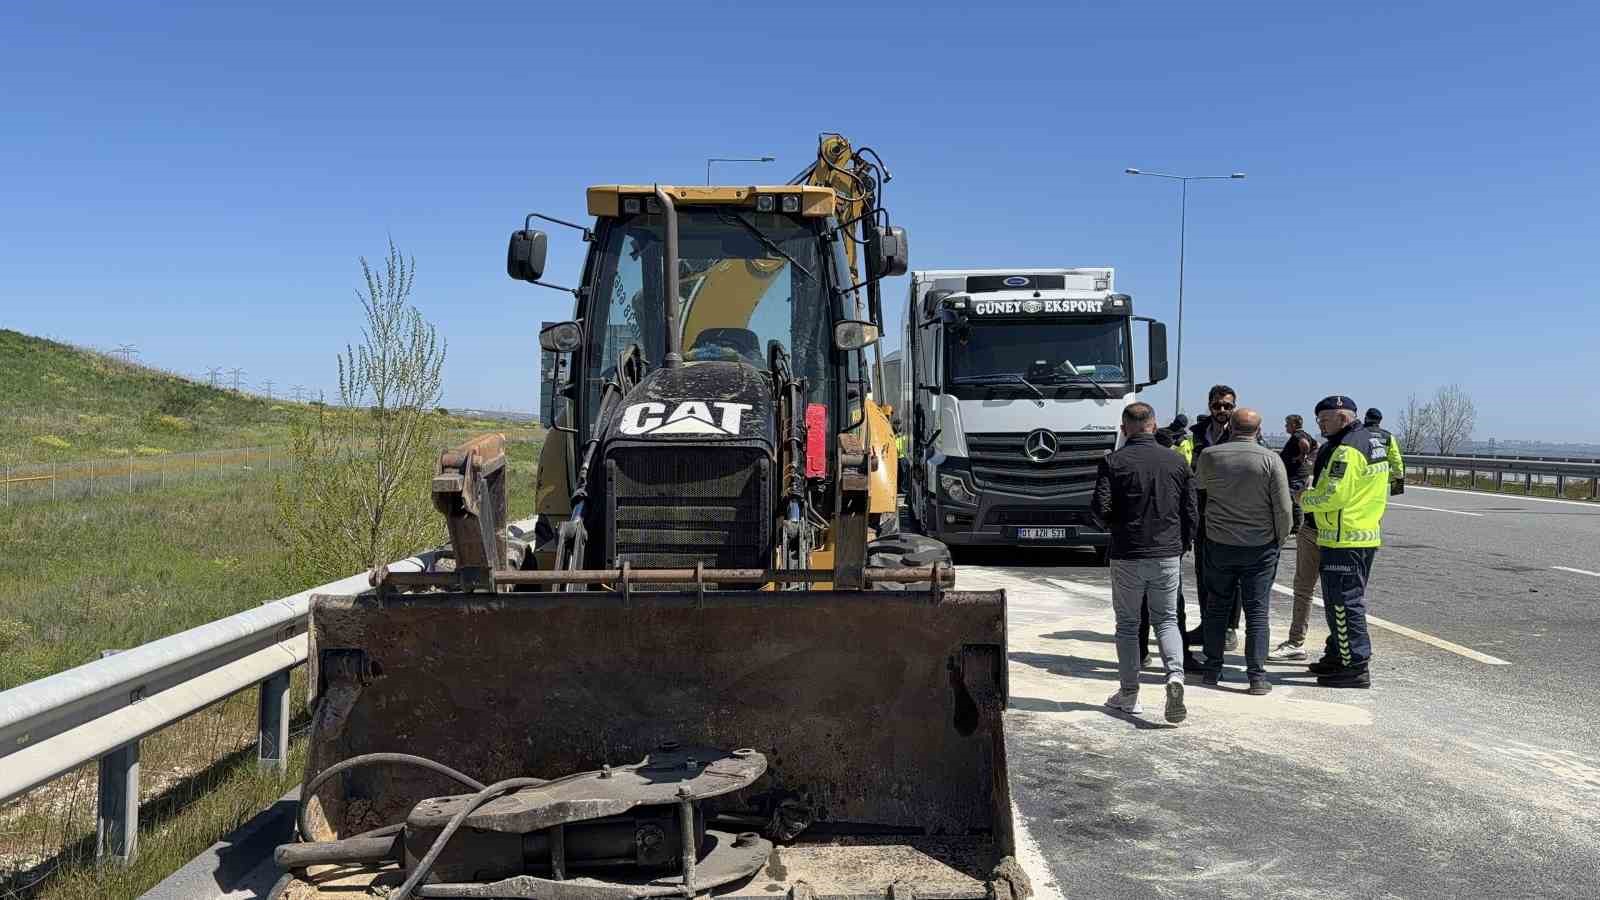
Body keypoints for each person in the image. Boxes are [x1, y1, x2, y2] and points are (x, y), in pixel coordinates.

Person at [1092, 402, 1198, 723]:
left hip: (1127, 552)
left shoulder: (1112, 461)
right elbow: (1191, 510)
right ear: (1153, 425)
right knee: (1166, 620)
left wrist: (1116, 528)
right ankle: (1175, 677)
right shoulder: (1177, 461)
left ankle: (1129, 695)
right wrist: (1182, 544)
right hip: (1167, 552)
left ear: (1125, 429)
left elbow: (1100, 507)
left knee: (1127, 625)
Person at [1193, 408, 1293, 694]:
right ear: (1259, 430)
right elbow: (1283, 508)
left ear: (1231, 427)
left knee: (1216, 607)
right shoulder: (1271, 459)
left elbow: (1201, 490)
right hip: (1259, 546)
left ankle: (1212, 669)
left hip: (1219, 542)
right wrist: (1280, 538)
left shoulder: (1211, 455)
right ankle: (1257, 677)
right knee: (1257, 611)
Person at [1301, 395, 1393, 688]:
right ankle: (1338, 655)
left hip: (1344, 538)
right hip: (1362, 532)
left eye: (1324, 420)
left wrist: (1303, 499)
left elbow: (1333, 496)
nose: (1320, 426)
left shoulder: (1347, 450)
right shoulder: (1372, 440)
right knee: (1341, 603)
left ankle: (1354, 665)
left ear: (1342, 417)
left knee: (1343, 605)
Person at [1188, 386, 1261, 654]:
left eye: (1227, 406)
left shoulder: (1243, 434)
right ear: (1209, 405)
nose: (1222, 411)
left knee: (1232, 577)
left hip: (1231, 515)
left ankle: (1229, 629)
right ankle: (1208, 625)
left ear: (1234, 407)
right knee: (1203, 573)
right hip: (1202, 513)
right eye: (1217, 405)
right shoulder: (1197, 435)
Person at [1268, 411, 1324, 662]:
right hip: (1321, 527)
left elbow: (1305, 447)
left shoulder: (1302, 439)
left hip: (1321, 528)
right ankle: (1297, 641)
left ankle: (1297, 641)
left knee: (1306, 588)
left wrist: (1302, 495)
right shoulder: (1320, 444)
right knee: (1305, 588)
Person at [1279, 414, 1317, 532]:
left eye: (1287, 424)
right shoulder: (1305, 434)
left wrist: (1302, 455)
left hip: (1296, 474)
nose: (1286, 427)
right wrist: (1308, 458)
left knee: (1294, 499)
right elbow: (1316, 446)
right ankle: (1298, 526)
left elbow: (1305, 444)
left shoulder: (1298, 435)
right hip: (1300, 473)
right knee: (1297, 498)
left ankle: (1297, 528)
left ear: (1294, 425)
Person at [1364, 408, 1406, 495]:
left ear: (1366, 418)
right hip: (1380, 477)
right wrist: (1399, 477)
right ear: (1379, 421)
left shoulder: (1357, 434)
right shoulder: (1389, 437)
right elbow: (1396, 459)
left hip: (1361, 476)